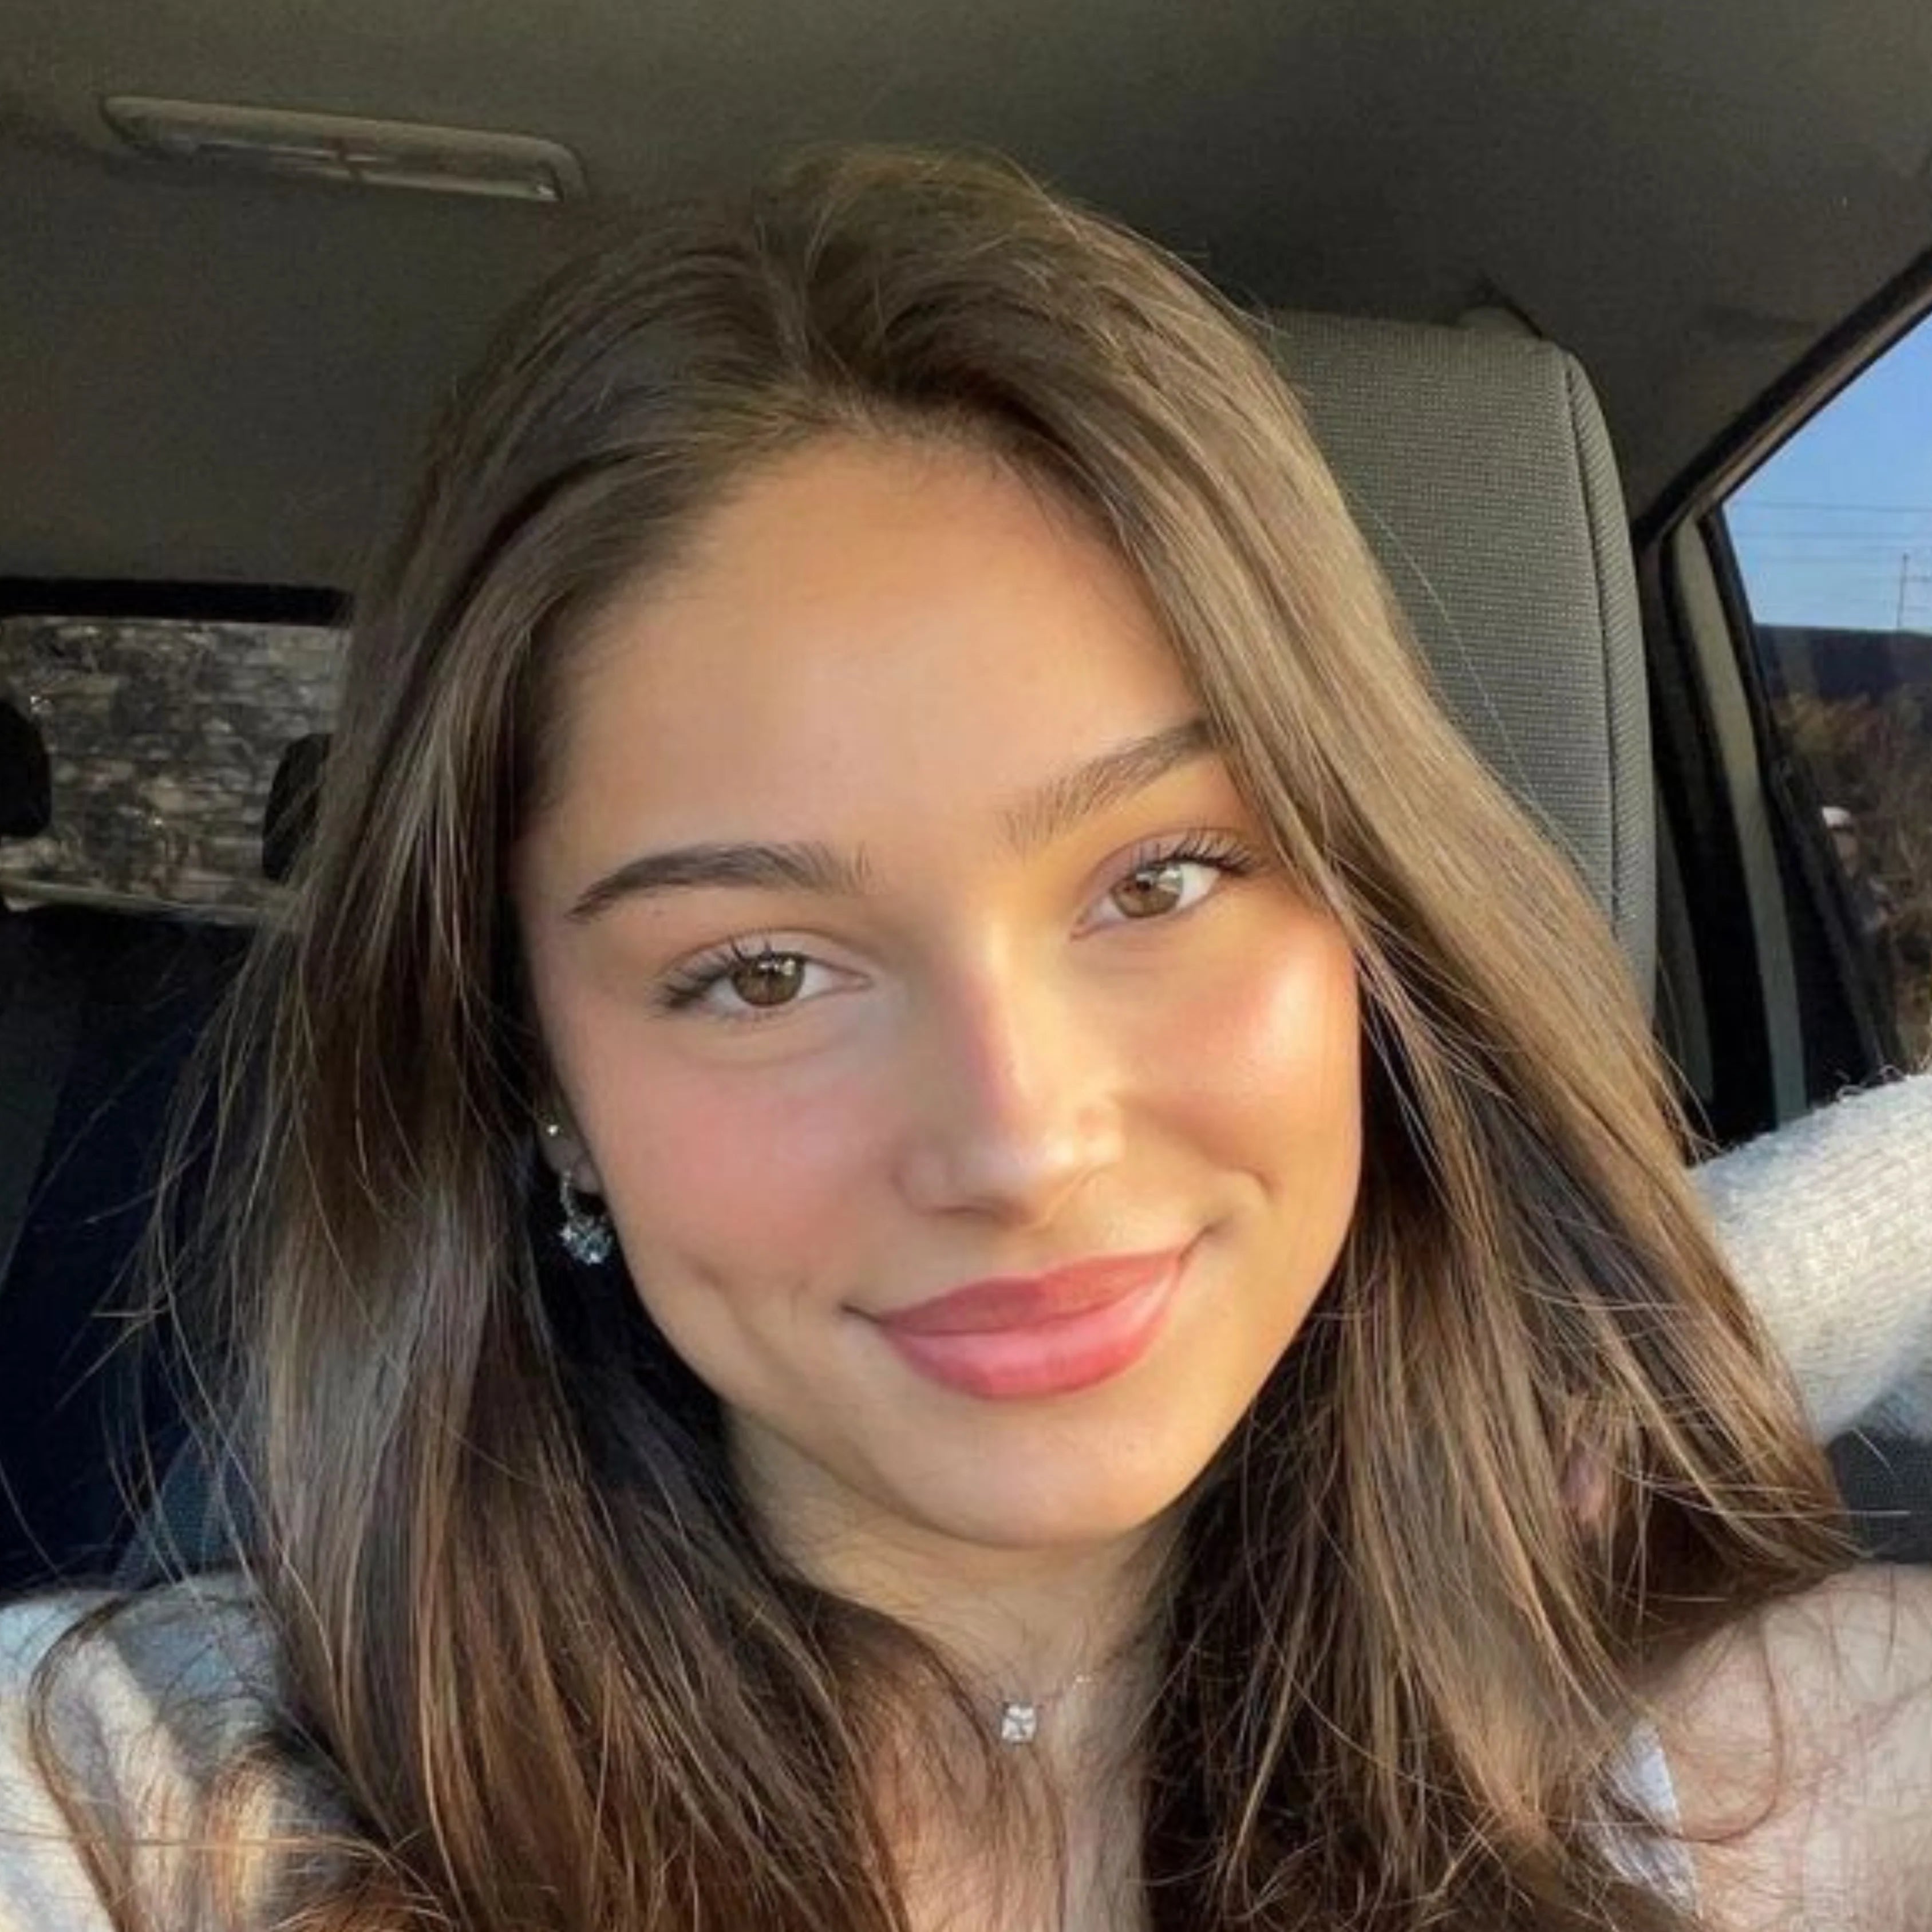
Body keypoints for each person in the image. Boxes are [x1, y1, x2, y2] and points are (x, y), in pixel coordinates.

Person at [2, 146, 1930, 1932]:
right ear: (541, 1081)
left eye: (1162, 878)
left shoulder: (1791, 1774)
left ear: (1371, 919)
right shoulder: (149, 1815)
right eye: (762, 972)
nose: (1019, 1141)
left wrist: (1704, 1315)